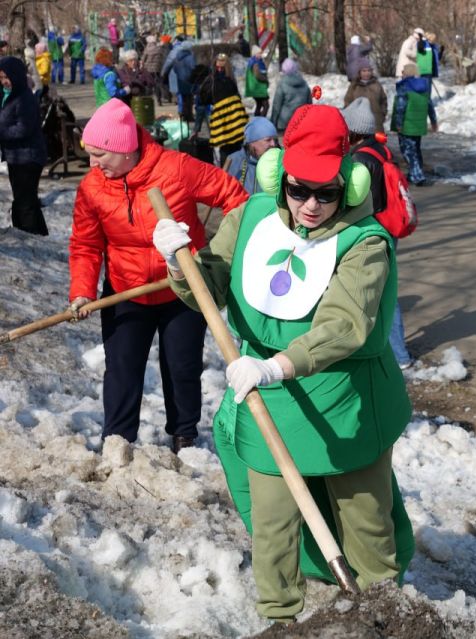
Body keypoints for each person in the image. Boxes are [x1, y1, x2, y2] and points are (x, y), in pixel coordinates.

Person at [150, 104, 415, 623]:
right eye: (298, 190)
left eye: (327, 192)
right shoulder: (249, 217)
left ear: (352, 184)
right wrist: (180, 260)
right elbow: (211, 286)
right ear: (279, 176)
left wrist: (276, 366)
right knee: (273, 530)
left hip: (346, 405)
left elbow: (345, 326)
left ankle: (386, 618)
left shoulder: (366, 243)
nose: (311, 205)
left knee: (365, 526)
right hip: (268, 405)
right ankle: (280, 619)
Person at [68, 99, 248, 451]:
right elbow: (85, 244)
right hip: (125, 288)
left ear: (124, 149)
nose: (92, 163)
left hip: (182, 287)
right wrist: (82, 291)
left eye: (99, 155)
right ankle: (118, 441)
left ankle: (185, 437)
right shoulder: (92, 187)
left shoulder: (176, 169)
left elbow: (235, 197)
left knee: (181, 367)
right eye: (89, 153)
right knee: (121, 367)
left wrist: (217, 256)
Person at [343, 97, 414, 367]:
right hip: (389, 229)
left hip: (376, 232)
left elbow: (362, 204)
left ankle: (397, 353)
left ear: (354, 132)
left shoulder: (361, 160)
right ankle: (395, 351)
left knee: (380, 293)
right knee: (386, 290)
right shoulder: (381, 150)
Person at [0, 56, 49, 235]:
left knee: (24, 202)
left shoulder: (24, 98)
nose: (5, 81)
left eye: (7, 77)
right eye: (1, 78)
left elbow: (23, 129)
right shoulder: (6, 95)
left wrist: (1, 133)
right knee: (24, 200)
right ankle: (33, 233)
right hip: (15, 156)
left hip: (29, 157)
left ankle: (30, 234)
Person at [391, 63, 437, 186]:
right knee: (416, 149)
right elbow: (430, 106)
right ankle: (414, 174)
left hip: (406, 126)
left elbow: (401, 107)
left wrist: (398, 124)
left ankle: (418, 176)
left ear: (406, 73)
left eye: (403, 71)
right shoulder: (424, 87)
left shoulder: (404, 87)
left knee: (407, 151)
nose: (402, 73)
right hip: (418, 126)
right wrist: (433, 121)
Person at [205, 53, 248, 163]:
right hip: (223, 116)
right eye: (218, 64)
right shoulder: (212, 80)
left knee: (235, 144)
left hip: (233, 115)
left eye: (222, 64)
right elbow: (205, 97)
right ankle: (227, 170)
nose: (219, 67)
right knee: (226, 146)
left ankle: (237, 168)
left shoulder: (229, 78)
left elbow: (236, 94)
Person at [223, 116, 278, 195]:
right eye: (268, 140)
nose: (273, 144)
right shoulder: (234, 160)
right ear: (252, 142)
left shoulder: (280, 161)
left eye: (275, 140)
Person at [270, 58, 311, 134]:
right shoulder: (304, 84)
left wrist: (273, 122)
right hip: (301, 122)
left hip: (285, 123)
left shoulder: (282, 84)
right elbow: (309, 105)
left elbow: (277, 105)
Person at [344, 63, 388, 134]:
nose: (366, 73)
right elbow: (347, 101)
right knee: (360, 143)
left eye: (369, 71)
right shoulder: (354, 86)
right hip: (358, 123)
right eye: (364, 71)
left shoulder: (376, 85)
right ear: (359, 72)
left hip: (376, 122)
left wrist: (382, 114)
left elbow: (383, 101)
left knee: (376, 143)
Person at [161, 36, 196, 121]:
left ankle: (182, 113)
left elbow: (173, 66)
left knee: (182, 97)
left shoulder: (177, 56)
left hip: (180, 80)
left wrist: (164, 73)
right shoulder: (190, 57)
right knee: (189, 99)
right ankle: (189, 116)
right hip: (189, 80)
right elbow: (193, 67)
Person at [141, 35, 166, 105]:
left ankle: (148, 99)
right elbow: (162, 58)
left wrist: (142, 65)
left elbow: (143, 59)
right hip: (157, 69)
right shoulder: (159, 48)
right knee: (157, 84)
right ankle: (159, 100)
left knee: (149, 84)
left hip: (148, 69)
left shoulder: (147, 49)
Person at [245, 45, 269, 117]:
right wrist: (266, 80)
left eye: (261, 53)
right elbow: (258, 75)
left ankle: (257, 120)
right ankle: (261, 120)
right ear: (255, 54)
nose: (260, 55)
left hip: (256, 88)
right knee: (266, 106)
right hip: (259, 88)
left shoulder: (254, 62)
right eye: (259, 53)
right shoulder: (256, 63)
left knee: (259, 105)